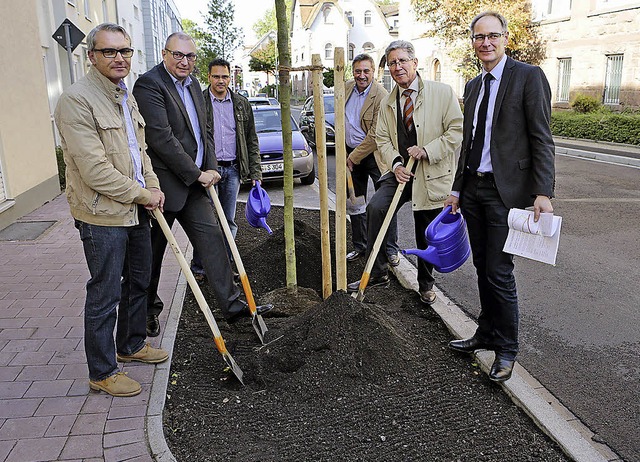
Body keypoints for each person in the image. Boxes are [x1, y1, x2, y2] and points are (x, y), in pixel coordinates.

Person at [54, 23, 169, 398]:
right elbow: (95, 170)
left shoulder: (125, 96)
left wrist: (152, 185)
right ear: (91, 56)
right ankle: (102, 371)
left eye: (125, 51)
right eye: (109, 51)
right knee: (105, 292)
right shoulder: (77, 100)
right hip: (102, 214)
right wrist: (142, 194)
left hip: (136, 208)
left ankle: (131, 344)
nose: (119, 58)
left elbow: (141, 153)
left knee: (139, 282)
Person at [132, 32, 272, 337]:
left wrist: (209, 165)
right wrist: (196, 173)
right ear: (164, 53)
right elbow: (161, 138)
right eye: (178, 55)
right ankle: (146, 312)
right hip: (163, 188)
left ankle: (235, 308)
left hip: (196, 187)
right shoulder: (149, 84)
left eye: (190, 57)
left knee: (213, 243)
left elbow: (204, 129)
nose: (185, 62)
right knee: (151, 257)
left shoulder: (194, 84)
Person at [445, 11, 555, 382]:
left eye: (493, 36)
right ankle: (485, 333)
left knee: (499, 271)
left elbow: (542, 137)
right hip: (474, 189)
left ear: (505, 38)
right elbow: (468, 142)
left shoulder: (528, 77)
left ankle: (507, 349)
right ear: (473, 42)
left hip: (505, 192)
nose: (485, 43)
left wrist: (543, 192)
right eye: (479, 37)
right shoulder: (474, 85)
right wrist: (458, 189)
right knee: (482, 267)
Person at [347, 40, 463, 306]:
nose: (397, 67)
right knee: (376, 207)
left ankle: (425, 285)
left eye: (401, 61)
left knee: (425, 230)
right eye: (392, 63)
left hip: (431, 174)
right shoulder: (389, 101)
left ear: (414, 62)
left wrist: (428, 150)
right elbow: (382, 138)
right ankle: (376, 272)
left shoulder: (442, 93)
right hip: (401, 171)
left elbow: (455, 132)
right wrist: (397, 165)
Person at [190, 57, 262, 279]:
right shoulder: (199, 102)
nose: (220, 81)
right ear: (209, 77)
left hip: (232, 170)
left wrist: (255, 172)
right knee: (205, 222)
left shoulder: (241, 104)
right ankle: (200, 267)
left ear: (230, 77)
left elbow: (251, 139)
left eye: (224, 76)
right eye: (216, 76)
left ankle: (228, 266)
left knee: (228, 220)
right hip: (208, 171)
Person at [344, 53, 400, 267]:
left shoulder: (382, 95)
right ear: (353, 72)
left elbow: (376, 135)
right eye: (358, 71)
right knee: (355, 201)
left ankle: (391, 249)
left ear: (373, 72)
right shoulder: (347, 89)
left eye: (366, 71)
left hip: (373, 156)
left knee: (384, 200)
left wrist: (353, 156)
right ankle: (360, 245)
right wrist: (345, 154)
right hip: (350, 154)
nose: (362, 75)